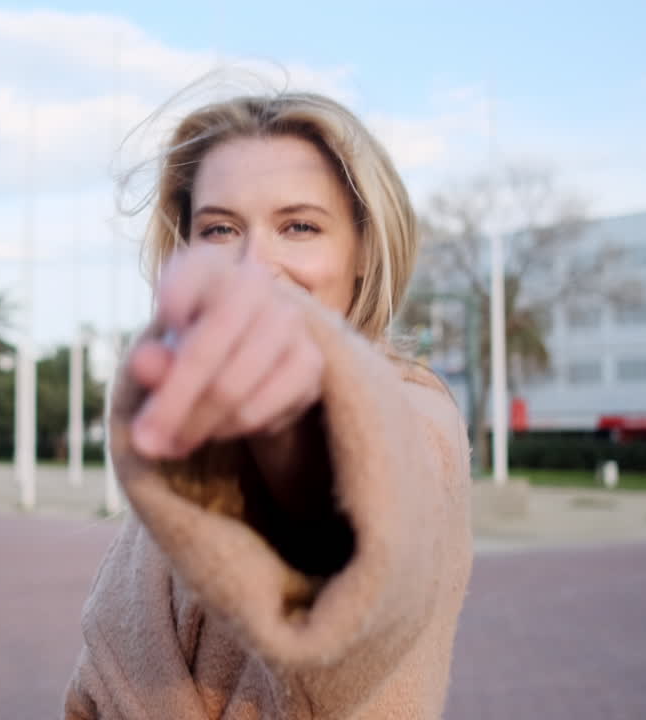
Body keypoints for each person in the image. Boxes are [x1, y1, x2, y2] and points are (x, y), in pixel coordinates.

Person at [64, 91, 472, 719]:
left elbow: (366, 562)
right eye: (220, 229)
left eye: (299, 227)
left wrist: (300, 455)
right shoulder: (188, 438)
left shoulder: (413, 419)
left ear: (363, 250)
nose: (254, 267)